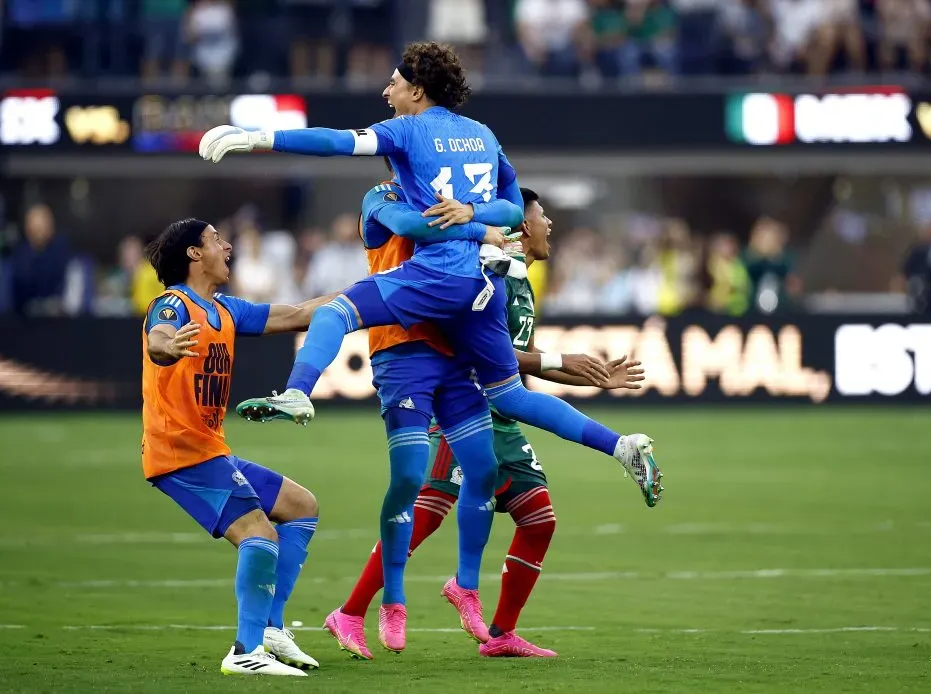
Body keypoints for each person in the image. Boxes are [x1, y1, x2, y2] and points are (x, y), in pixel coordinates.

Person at [201, 40, 662, 617]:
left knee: (336, 312)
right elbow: (514, 210)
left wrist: (257, 138)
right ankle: (619, 446)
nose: (385, 92)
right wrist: (477, 219)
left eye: (393, 82)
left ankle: (298, 391)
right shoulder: (484, 135)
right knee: (508, 399)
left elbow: (338, 143)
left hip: (430, 289)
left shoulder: (408, 135)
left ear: (417, 90)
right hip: (480, 288)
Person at [323, 184, 650, 659]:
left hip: (503, 416)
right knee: (428, 513)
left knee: (538, 519)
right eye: (542, 215)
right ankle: (351, 611)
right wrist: (564, 362)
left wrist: (594, 374)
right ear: (520, 226)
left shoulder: (517, 277)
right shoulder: (492, 272)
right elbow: (489, 357)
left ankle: (500, 635)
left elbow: (515, 359)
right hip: (468, 407)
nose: (548, 225)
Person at [141, 218, 333, 677]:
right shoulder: (173, 304)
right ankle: (245, 651)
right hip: (180, 453)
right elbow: (157, 341)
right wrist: (169, 347)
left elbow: (296, 314)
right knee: (258, 533)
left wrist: (372, 298)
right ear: (193, 254)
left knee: (300, 505)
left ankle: (269, 630)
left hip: (210, 449)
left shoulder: (225, 310)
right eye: (215, 240)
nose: (226, 246)